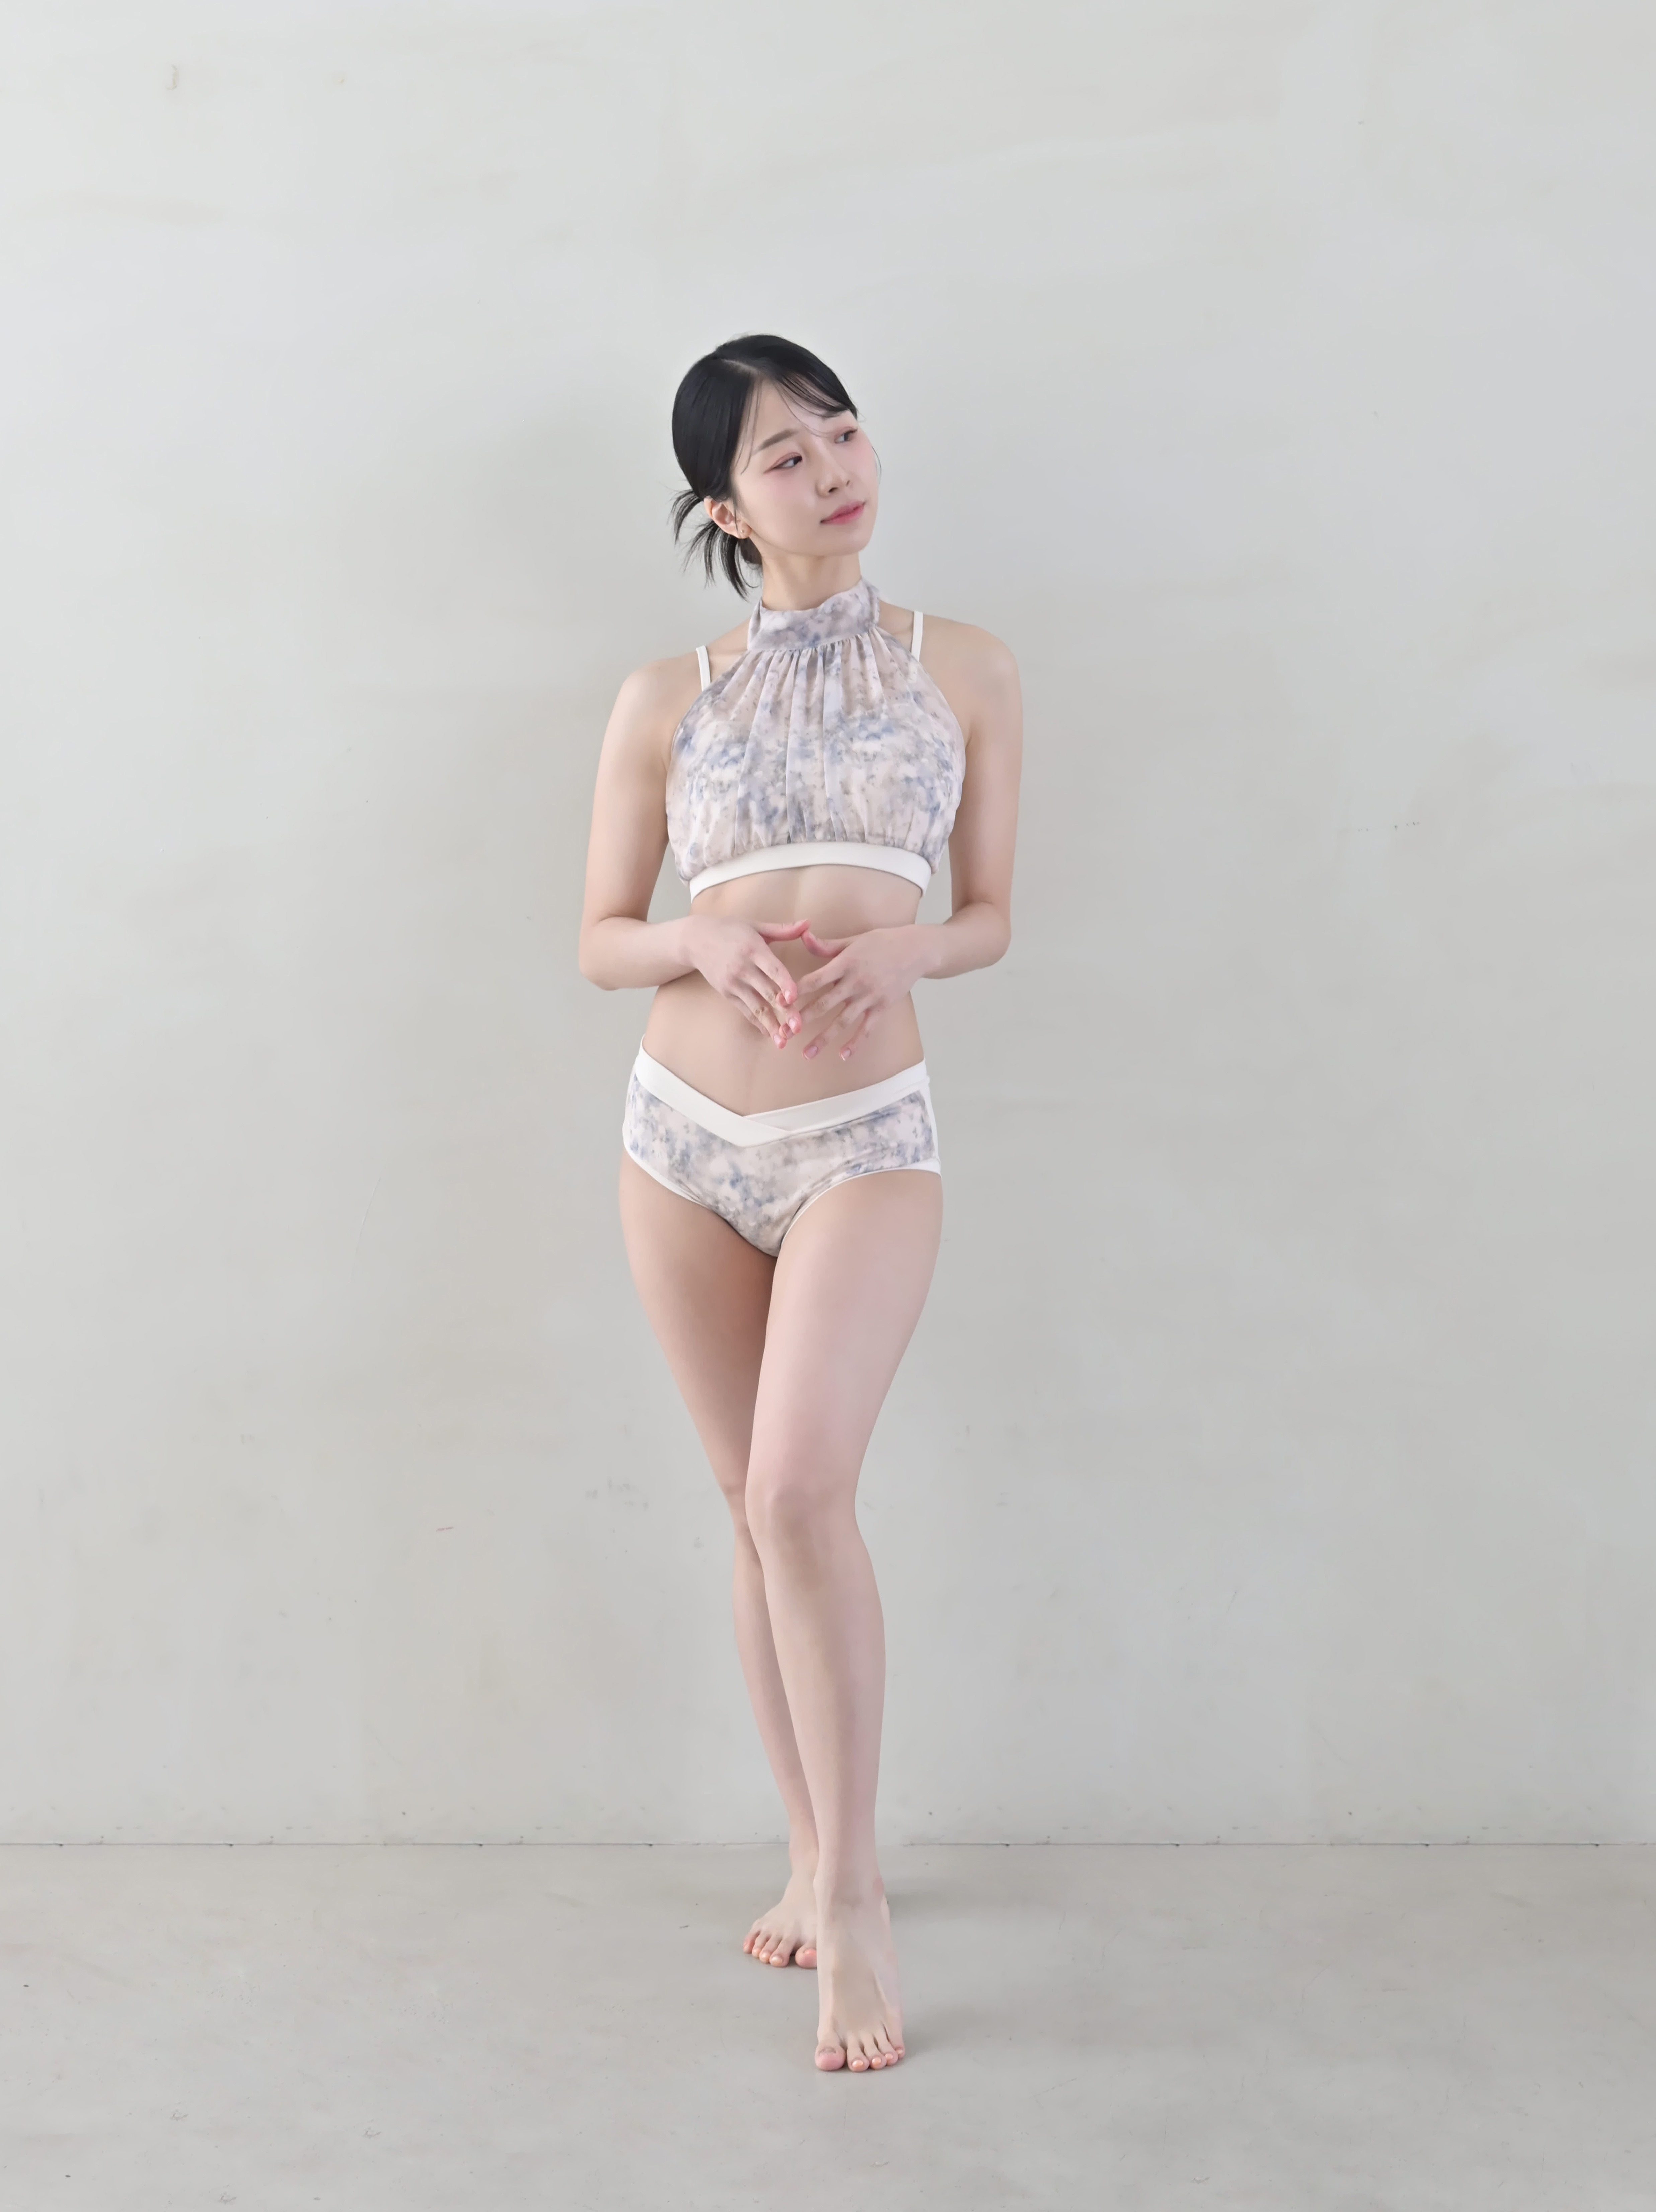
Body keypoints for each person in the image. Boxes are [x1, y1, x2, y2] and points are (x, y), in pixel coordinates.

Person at [578, 336, 1021, 2073]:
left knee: (798, 1488)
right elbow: (601, 936)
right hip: (680, 1136)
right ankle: (808, 1842)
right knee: (743, 1504)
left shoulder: (963, 665)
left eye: (844, 432)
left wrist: (910, 949)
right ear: (723, 507)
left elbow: (989, 913)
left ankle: (855, 1897)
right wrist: (695, 936)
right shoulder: (661, 696)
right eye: (786, 455)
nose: (836, 469)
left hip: (863, 1134)